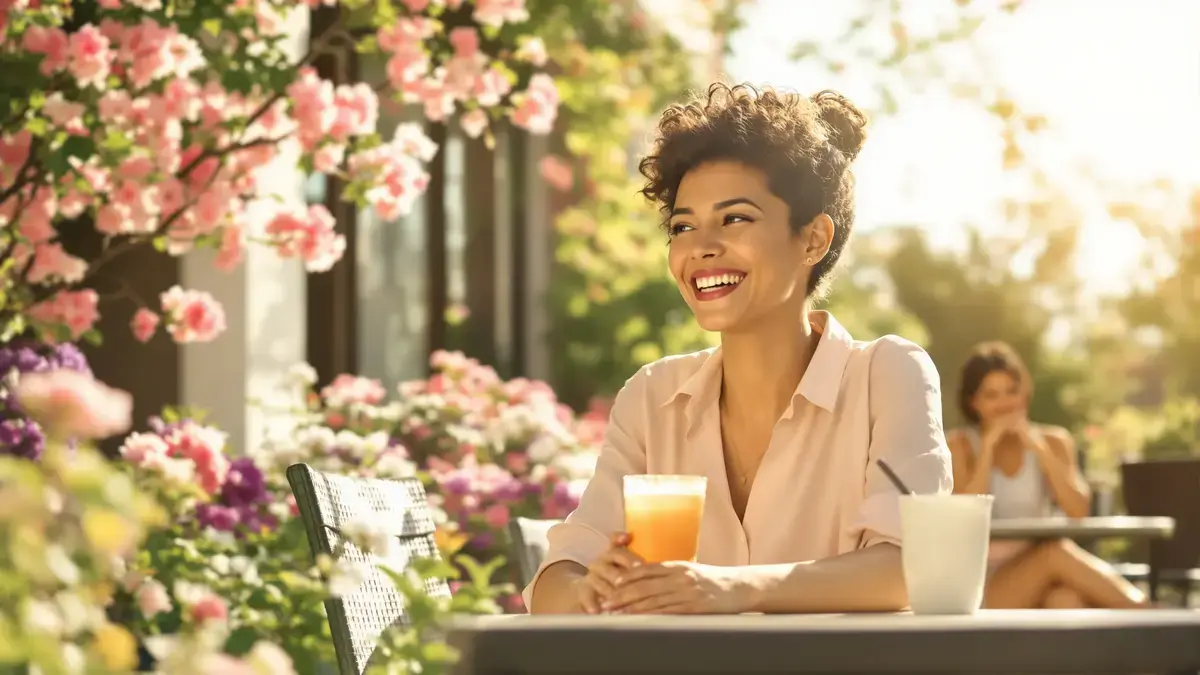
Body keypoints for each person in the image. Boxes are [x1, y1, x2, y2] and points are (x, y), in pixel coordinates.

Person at [525, 82, 954, 615]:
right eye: (683, 226)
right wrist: (587, 591)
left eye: (735, 218)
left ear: (813, 240)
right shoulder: (653, 398)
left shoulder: (888, 375)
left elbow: (912, 567)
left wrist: (735, 587)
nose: (701, 247)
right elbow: (555, 580)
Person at [947, 341, 1146, 609]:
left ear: (1024, 394)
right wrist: (987, 449)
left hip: (1042, 574)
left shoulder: (1054, 441)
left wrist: (1039, 449)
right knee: (1054, 552)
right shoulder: (958, 445)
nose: (1004, 403)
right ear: (974, 403)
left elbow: (1078, 511)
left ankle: (1149, 638)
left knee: (1066, 600)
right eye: (991, 395)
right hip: (981, 582)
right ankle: (1148, 611)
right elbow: (966, 517)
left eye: (1011, 392)